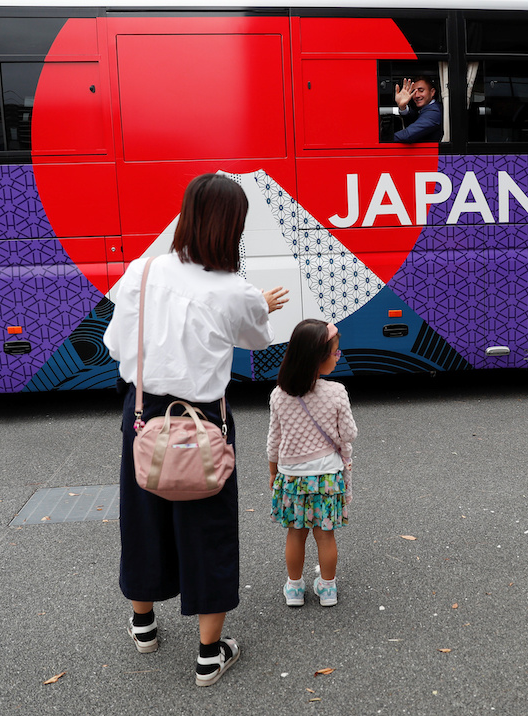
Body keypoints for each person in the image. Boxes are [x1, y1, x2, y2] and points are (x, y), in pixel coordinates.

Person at [104, 173, 289, 686]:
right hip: (202, 424)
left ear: (186, 216)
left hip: (142, 417)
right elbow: (256, 338)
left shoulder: (143, 271)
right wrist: (263, 306)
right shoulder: (236, 291)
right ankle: (210, 653)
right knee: (207, 531)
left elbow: (117, 347)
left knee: (143, 518)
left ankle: (144, 625)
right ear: (233, 228)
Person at [268, 319, 357, 608]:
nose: (337, 356)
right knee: (325, 534)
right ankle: (328, 589)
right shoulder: (336, 392)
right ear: (319, 358)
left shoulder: (280, 394)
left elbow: (274, 440)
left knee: (296, 533)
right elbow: (349, 433)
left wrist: (273, 473)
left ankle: (294, 589)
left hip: (292, 477)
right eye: (335, 352)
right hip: (327, 477)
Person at [393, 76, 443, 143]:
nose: (417, 95)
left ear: (432, 92)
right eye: (414, 92)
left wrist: (379, 140)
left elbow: (407, 135)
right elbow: (414, 118)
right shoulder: (426, 109)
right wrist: (403, 107)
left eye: (421, 90)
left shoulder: (434, 112)